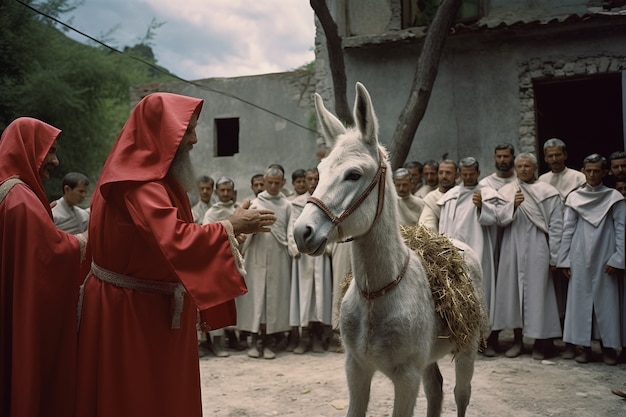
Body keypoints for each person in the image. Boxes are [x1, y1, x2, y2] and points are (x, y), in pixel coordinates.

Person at [75, 92, 276, 417]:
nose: (195, 139)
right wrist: (229, 225)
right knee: (138, 398)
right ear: (161, 132)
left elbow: (164, 242)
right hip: (132, 313)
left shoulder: (156, 181)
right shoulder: (137, 183)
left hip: (147, 306)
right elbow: (175, 239)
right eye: (189, 130)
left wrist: (230, 229)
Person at [0, 117, 88, 417]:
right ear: (29, 148)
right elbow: (49, 255)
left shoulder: (11, 192)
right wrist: (85, 241)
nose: (55, 159)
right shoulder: (21, 200)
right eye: (49, 150)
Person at [492, 152, 563, 360]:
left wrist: (555, 256)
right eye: (520, 166)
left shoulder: (548, 191)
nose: (523, 170)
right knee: (513, 293)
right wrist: (512, 205)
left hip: (537, 245)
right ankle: (517, 340)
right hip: (511, 245)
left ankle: (541, 342)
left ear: (534, 168)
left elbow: (557, 225)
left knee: (538, 293)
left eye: (527, 166)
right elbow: (497, 219)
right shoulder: (506, 191)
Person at [556, 153, 624, 365]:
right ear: (583, 172)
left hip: (606, 252)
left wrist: (619, 258)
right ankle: (582, 347)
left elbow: (622, 228)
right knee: (580, 301)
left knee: (607, 302)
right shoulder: (575, 197)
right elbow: (567, 229)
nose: (592, 174)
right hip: (579, 254)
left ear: (605, 172)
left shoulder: (614, 197)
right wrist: (564, 259)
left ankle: (608, 348)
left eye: (597, 170)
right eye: (589, 170)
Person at [437, 157, 500, 356]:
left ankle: (485, 340)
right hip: (455, 252)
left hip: (480, 250)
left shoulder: (488, 193)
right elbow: (443, 227)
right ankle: (457, 340)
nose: (467, 177)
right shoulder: (451, 196)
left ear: (478, 172)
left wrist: (483, 206)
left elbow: (496, 219)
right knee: (457, 294)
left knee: (482, 292)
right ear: (459, 174)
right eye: (464, 174)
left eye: (471, 173)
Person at [537, 138, 586, 359]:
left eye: (558, 155)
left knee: (573, 293)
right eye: (550, 156)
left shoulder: (579, 178)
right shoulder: (542, 180)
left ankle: (574, 342)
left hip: (577, 239)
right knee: (552, 293)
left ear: (565, 155)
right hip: (550, 240)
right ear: (545, 158)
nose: (554, 159)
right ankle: (551, 340)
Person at [237, 166, 292, 359]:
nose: (274, 186)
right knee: (256, 297)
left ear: (283, 183)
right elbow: (244, 230)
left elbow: (289, 232)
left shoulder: (287, 205)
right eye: (270, 183)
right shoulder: (254, 204)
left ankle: (270, 342)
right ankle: (255, 341)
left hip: (278, 256)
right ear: (265, 181)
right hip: (256, 256)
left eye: (278, 183)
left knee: (274, 299)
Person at [287, 167, 333, 354]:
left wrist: (328, 247)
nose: (313, 183)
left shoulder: (328, 200)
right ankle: (303, 337)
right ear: (304, 182)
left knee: (321, 297)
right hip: (304, 257)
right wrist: (294, 248)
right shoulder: (297, 203)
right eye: (310, 179)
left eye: (316, 179)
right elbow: (292, 228)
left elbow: (331, 226)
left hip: (321, 255)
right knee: (304, 296)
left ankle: (318, 336)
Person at [200, 176, 246, 356]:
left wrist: (241, 238)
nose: (225, 194)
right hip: (217, 264)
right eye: (222, 190)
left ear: (233, 192)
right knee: (219, 302)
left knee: (237, 302)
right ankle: (216, 343)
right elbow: (206, 237)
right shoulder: (211, 213)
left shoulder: (238, 210)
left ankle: (234, 337)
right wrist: (230, 238)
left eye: (228, 190)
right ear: (216, 192)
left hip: (237, 262)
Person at [418, 159, 458, 233]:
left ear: (456, 175)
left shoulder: (461, 195)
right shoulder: (431, 198)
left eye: (448, 173)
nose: (444, 176)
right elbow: (427, 224)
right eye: (441, 173)